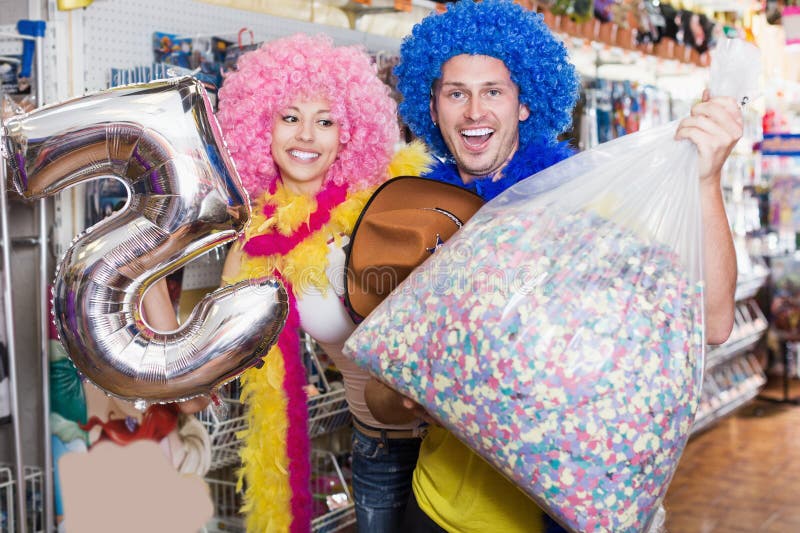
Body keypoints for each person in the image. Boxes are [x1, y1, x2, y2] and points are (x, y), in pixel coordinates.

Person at [363, 1, 741, 532]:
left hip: (560, 518)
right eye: (456, 93)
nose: (474, 111)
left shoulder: (587, 207)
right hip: (438, 512)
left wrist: (706, 181)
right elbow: (378, 397)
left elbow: (716, 319)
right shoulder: (413, 223)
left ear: (524, 102)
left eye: (493, 90)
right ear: (434, 105)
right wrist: (408, 394)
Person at [211, 33, 430, 532]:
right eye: (290, 117)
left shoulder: (384, 203)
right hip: (376, 447)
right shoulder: (257, 240)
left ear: (349, 133)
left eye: (325, 121)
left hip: (450, 438)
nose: (306, 136)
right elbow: (221, 338)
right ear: (260, 127)